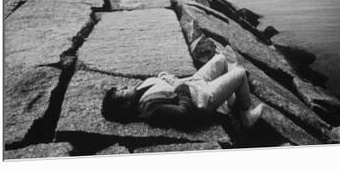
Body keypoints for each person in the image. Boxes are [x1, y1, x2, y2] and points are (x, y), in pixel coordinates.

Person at [101, 49, 264, 132]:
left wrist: (167, 78)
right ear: (125, 105)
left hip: (193, 83)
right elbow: (185, 113)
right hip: (201, 98)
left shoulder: (139, 90)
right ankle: (246, 116)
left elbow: (162, 81)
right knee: (240, 73)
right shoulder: (150, 109)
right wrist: (180, 88)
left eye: (120, 87)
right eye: (122, 92)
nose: (124, 86)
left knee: (221, 58)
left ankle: (232, 99)